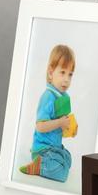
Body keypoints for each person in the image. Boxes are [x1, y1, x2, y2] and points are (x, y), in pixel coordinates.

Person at [20, 45, 77, 182]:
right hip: (43, 149)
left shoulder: (62, 97)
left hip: (54, 148)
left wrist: (69, 128)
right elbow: (40, 126)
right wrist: (60, 122)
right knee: (62, 173)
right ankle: (38, 166)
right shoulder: (48, 97)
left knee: (68, 159)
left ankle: (46, 164)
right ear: (51, 73)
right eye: (62, 72)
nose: (66, 79)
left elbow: (60, 127)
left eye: (70, 74)